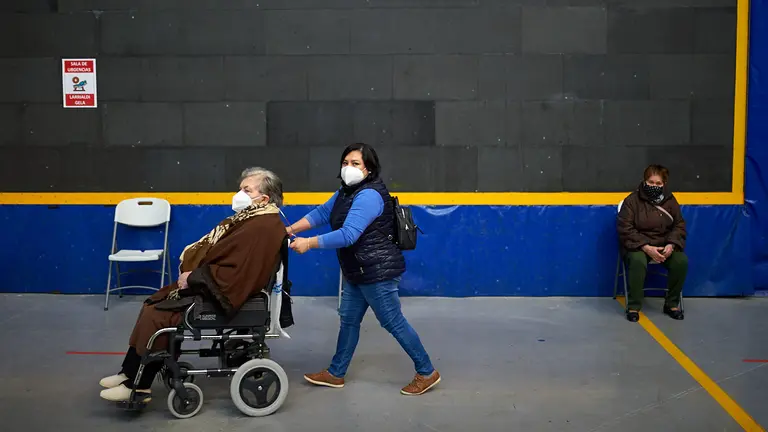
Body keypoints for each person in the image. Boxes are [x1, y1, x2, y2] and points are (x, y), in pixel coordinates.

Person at [98, 167, 288, 403]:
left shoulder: (262, 226)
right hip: (218, 287)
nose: (239, 194)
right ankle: (128, 372)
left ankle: (139, 387)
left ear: (265, 198)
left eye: (246, 190)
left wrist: (194, 277)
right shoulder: (254, 220)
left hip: (225, 296)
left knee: (159, 315)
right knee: (154, 303)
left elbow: (237, 273)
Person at [286, 143, 440, 396]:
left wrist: (309, 243)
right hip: (357, 269)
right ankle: (336, 373)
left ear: (369, 169)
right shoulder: (346, 191)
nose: (349, 168)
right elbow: (322, 213)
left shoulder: (368, 195)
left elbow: (348, 235)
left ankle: (426, 371)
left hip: (376, 270)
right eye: (345, 163)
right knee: (348, 320)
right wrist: (290, 230)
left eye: (355, 163)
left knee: (393, 322)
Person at [617, 164, 688, 322]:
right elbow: (625, 229)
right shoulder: (631, 201)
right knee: (637, 261)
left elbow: (679, 225)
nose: (654, 186)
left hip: (664, 245)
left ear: (664, 184)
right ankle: (634, 306)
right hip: (638, 246)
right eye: (651, 182)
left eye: (658, 184)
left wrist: (671, 244)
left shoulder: (670, 201)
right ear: (644, 182)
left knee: (681, 261)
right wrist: (646, 247)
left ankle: (672, 304)